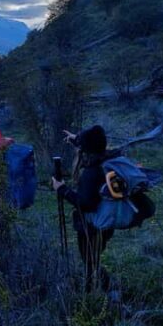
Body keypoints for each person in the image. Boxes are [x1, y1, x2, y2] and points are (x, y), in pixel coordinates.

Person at [51, 124, 120, 292]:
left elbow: (86, 203)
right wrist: (76, 140)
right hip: (106, 221)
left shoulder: (91, 172)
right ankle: (99, 289)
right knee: (93, 257)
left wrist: (62, 189)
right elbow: (94, 144)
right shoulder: (106, 159)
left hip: (91, 226)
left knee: (90, 260)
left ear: (87, 149)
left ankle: (101, 290)